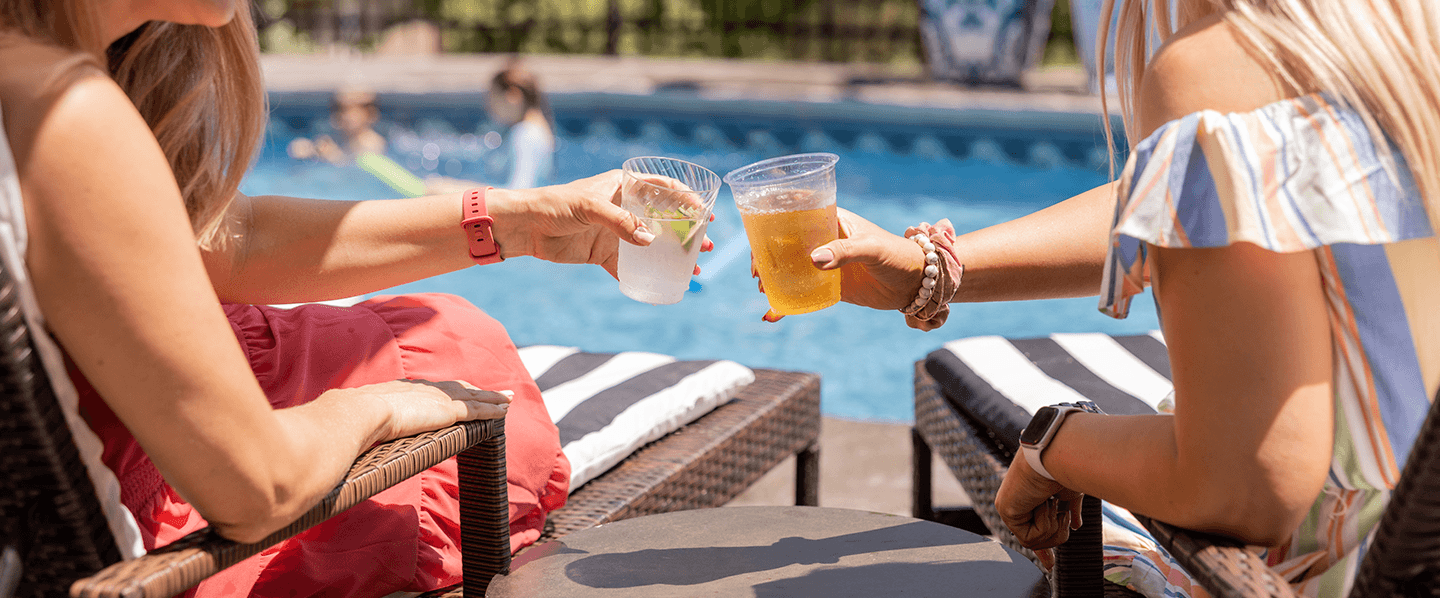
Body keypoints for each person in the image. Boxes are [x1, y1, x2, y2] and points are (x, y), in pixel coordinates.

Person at [0, 1, 684, 596]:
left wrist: (523, 221)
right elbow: (257, 488)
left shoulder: (41, 74)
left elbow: (228, 240)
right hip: (178, 504)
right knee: (473, 380)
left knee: (441, 331)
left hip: (151, 410)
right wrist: (378, 407)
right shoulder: (68, 113)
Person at [764, 0, 1440, 595]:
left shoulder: (1225, 63)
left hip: (1348, 565)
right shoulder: (1400, 33)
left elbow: (1245, 488)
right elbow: (1202, 191)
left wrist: (1050, 444)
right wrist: (928, 270)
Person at [486, 61, 555, 190]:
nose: (488, 106)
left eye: (492, 97)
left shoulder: (525, 134)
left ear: (512, 95)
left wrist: (460, 191)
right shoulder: (537, 129)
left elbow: (519, 191)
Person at [286, 87, 388, 166]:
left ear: (369, 113)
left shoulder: (372, 143)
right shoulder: (337, 139)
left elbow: (359, 173)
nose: (345, 115)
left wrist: (333, 156)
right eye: (340, 109)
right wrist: (310, 149)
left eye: (352, 109)